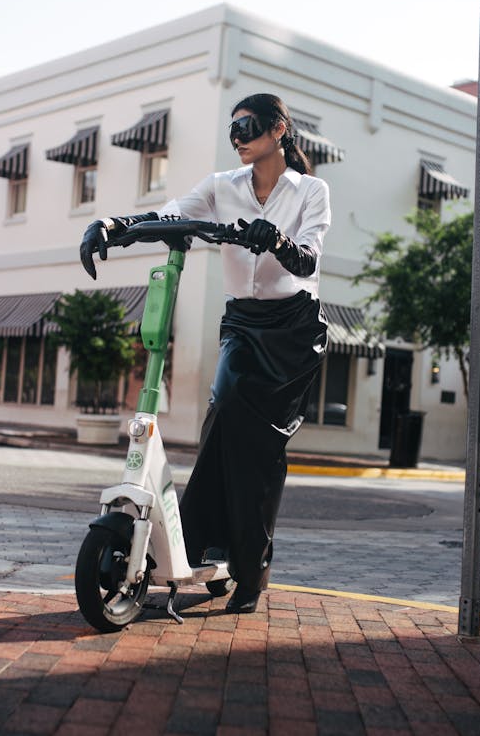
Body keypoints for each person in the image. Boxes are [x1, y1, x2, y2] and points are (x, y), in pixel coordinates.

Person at [80, 93, 331, 613]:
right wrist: (113, 228)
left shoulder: (311, 190)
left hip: (292, 332)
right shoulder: (222, 186)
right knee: (222, 424)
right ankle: (200, 548)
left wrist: (277, 241)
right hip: (243, 323)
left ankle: (251, 572)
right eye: (232, 129)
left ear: (279, 128)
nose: (238, 136)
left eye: (249, 126)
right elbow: (171, 215)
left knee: (258, 449)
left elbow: (307, 259)